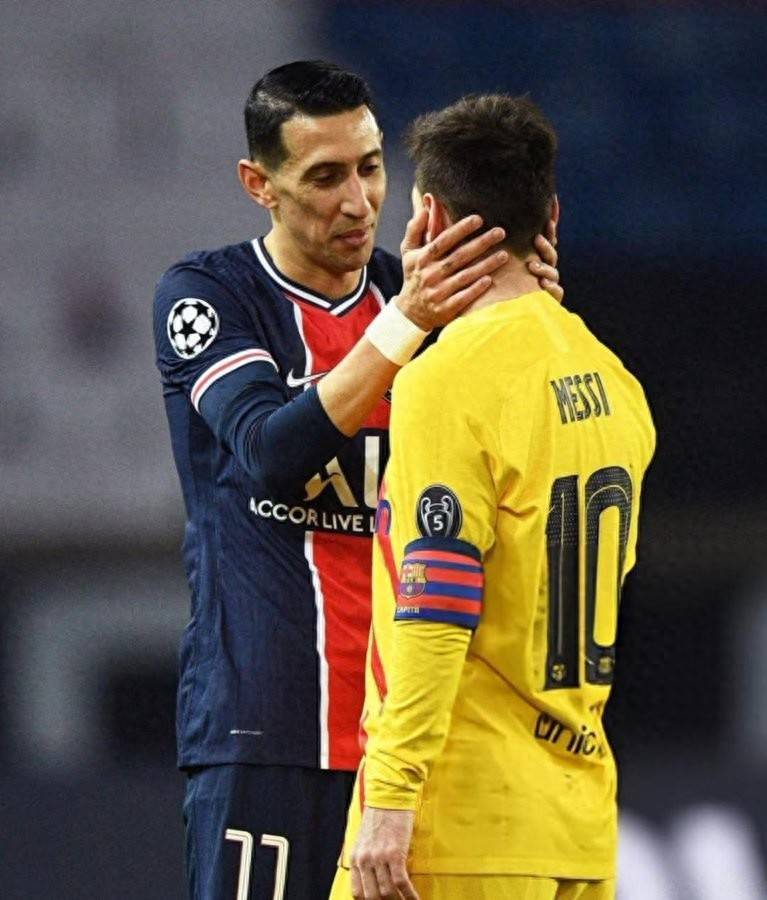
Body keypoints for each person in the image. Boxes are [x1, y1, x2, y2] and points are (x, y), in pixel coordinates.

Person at [153, 61, 562, 900]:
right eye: (324, 177)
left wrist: (528, 328)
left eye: (370, 168)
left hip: (410, 748)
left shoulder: (425, 298)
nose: (357, 201)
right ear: (258, 185)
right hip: (268, 732)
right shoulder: (210, 296)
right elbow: (268, 450)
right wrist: (408, 322)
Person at [331, 94, 655, 900]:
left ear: (429, 218)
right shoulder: (616, 383)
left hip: (459, 828)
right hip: (576, 829)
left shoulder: (446, 381)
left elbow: (436, 597)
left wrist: (390, 797)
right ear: (551, 215)